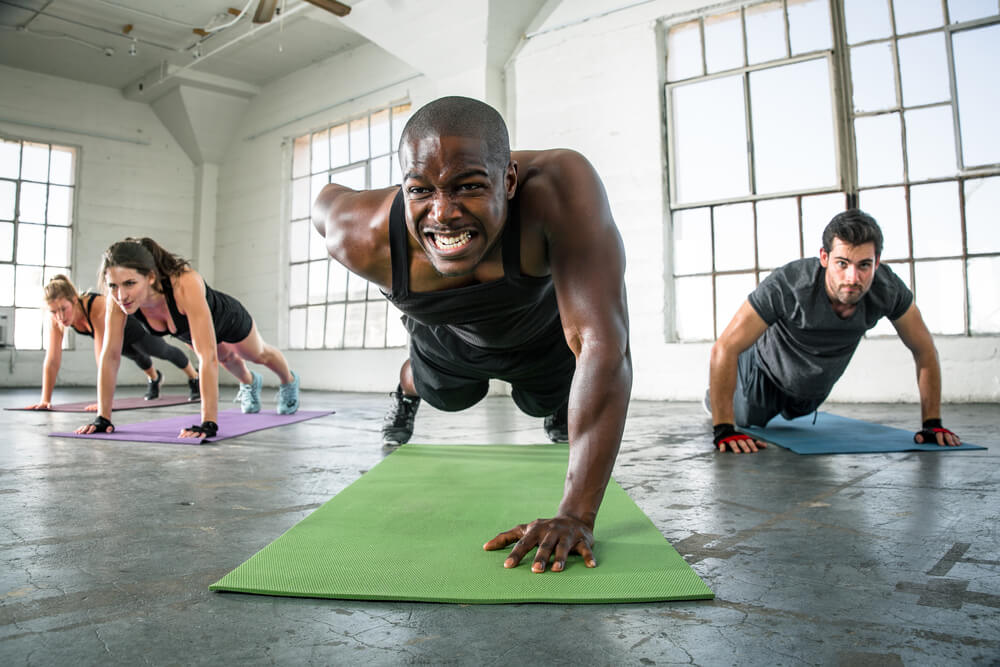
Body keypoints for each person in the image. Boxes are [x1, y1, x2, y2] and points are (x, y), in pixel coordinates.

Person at [311, 96, 632, 574]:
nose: (442, 214)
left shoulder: (558, 189)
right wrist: (433, 180)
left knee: (548, 400)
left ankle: (556, 409)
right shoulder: (358, 235)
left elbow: (602, 342)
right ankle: (408, 391)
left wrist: (574, 516)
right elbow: (326, 199)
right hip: (445, 340)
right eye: (422, 191)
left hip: (542, 338)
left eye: (469, 185)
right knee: (449, 396)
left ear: (510, 180)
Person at [708, 209, 962, 454]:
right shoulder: (789, 284)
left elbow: (924, 349)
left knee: (800, 411)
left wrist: (932, 423)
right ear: (824, 257)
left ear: (877, 262)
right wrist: (723, 428)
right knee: (747, 417)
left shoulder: (887, 289)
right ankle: (713, 397)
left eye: (864, 265)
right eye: (842, 263)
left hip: (810, 394)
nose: (853, 278)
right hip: (762, 377)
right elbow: (725, 347)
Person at [75, 238, 300, 439]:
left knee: (256, 353)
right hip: (189, 330)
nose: (121, 295)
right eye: (113, 285)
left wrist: (208, 422)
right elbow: (111, 355)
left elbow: (206, 356)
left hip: (227, 318)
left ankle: (289, 381)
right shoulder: (117, 300)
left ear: (151, 277)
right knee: (227, 359)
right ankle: (250, 382)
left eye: (130, 283)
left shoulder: (184, 284)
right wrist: (103, 417)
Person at [26, 274, 199, 410]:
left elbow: (103, 356)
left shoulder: (97, 307)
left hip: (133, 327)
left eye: (64, 309)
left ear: (74, 299)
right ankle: (154, 379)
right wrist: (45, 400)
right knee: (138, 358)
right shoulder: (56, 319)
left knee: (161, 350)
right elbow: (53, 359)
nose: (60, 316)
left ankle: (194, 377)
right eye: (54, 311)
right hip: (114, 336)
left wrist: (103, 404)